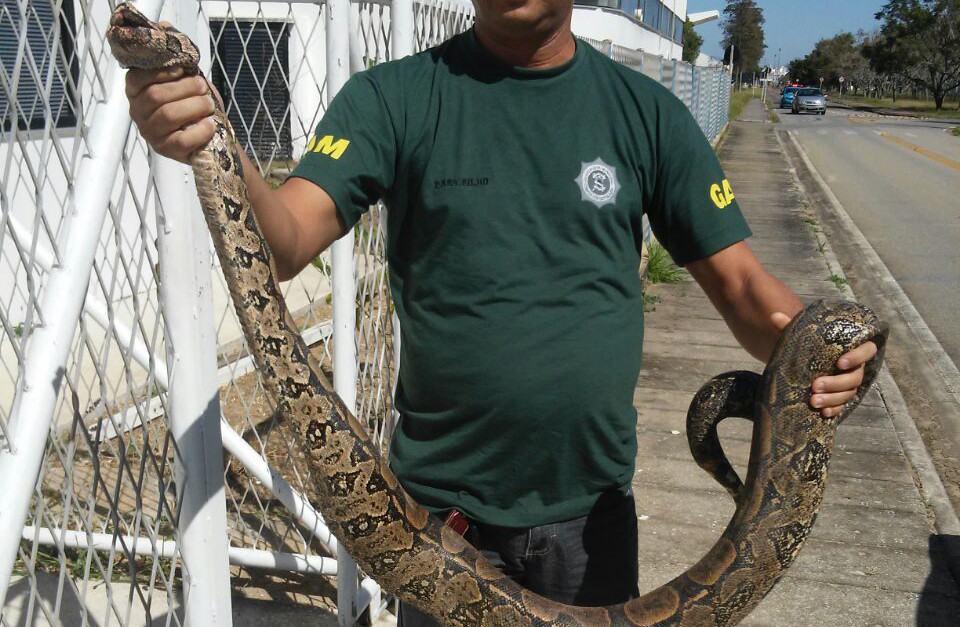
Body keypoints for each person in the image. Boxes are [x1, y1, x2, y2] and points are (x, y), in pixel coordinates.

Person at [124, 0, 877, 623]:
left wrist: (823, 347)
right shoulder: (393, 97)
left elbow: (744, 287)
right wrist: (210, 138)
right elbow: (283, 240)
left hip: (591, 520)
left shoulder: (646, 113)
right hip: (439, 526)